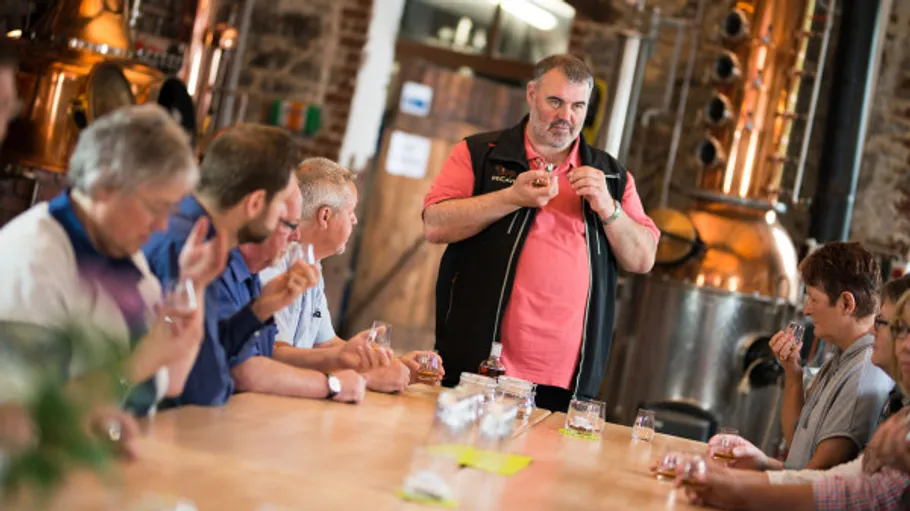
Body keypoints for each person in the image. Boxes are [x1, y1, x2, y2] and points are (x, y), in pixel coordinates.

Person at [423, 54, 659, 411]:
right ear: (531, 94)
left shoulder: (612, 176)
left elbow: (642, 259)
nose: (567, 116)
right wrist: (511, 197)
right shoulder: (480, 154)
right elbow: (435, 224)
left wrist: (609, 209)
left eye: (578, 105)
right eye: (556, 101)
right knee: (459, 461)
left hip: (567, 376)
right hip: (479, 360)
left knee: (543, 467)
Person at [0, 104, 226, 453]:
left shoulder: (119, 251)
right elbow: (22, 419)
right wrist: (139, 362)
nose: (162, 226)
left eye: (171, 210)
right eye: (155, 207)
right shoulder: (34, 262)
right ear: (105, 184)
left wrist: (193, 286)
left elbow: (168, 383)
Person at [144, 124, 371, 406]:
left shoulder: (215, 242)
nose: (296, 232)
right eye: (282, 213)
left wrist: (258, 310)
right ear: (255, 204)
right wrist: (333, 384)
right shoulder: (195, 243)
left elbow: (217, 349)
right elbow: (209, 382)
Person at [679, 286, 910, 511]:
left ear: (846, 303)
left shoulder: (864, 371)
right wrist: (758, 467)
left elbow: (855, 491)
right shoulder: (839, 362)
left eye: (812, 298)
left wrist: (737, 488)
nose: (806, 310)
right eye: (901, 329)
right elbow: (818, 463)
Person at [257, 157, 444, 391]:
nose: (354, 220)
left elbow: (326, 345)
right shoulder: (273, 263)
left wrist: (394, 365)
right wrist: (355, 368)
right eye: (350, 211)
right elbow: (272, 353)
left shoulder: (312, 262)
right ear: (325, 216)